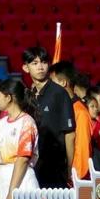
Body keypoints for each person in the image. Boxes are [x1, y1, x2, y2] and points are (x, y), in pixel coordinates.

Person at [23, 46, 74, 188]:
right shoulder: (27, 95)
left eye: (44, 62)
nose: (40, 67)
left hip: (54, 166)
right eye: (35, 63)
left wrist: (69, 167)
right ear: (25, 68)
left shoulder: (59, 93)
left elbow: (70, 135)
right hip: (31, 165)